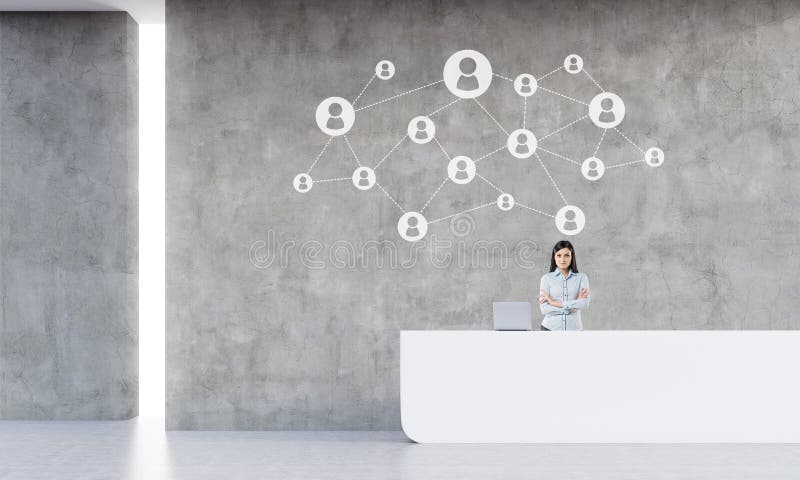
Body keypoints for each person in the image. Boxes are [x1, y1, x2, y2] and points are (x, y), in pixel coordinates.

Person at [538, 240, 590, 331]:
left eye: (567, 255)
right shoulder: (546, 279)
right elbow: (544, 309)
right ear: (554, 257)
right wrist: (573, 306)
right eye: (559, 255)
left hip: (575, 329)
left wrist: (554, 303)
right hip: (549, 328)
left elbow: (584, 304)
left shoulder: (582, 278)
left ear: (572, 257)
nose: (562, 259)